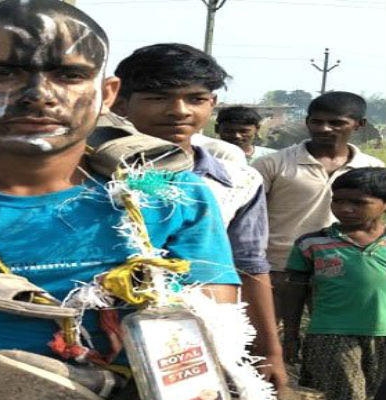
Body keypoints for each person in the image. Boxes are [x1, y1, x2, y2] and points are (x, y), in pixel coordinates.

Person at [0, 2, 240, 399]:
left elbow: (208, 342)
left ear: (106, 93)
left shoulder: (173, 197)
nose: (38, 95)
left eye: (69, 75)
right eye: (1, 73)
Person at [111, 43, 287, 391]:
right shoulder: (90, 174)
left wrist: (269, 351)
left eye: (195, 99)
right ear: (119, 102)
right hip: (105, 330)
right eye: (157, 98)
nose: (179, 111)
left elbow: (249, 263)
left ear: (212, 103)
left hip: (192, 340)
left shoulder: (238, 180)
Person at [251, 91, 384, 358]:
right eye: (317, 121)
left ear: (359, 125)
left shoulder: (372, 168)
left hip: (340, 272)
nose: (324, 128)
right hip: (278, 268)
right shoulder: (273, 163)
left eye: (336, 123)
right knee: (263, 345)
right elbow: (249, 216)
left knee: (335, 346)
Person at [285, 167, 386, 400]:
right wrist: (290, 335)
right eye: (338, 201)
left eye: (358, 203)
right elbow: (294, 292)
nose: (345, 209)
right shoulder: (311, 243)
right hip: (331, 335)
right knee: (345, 395)